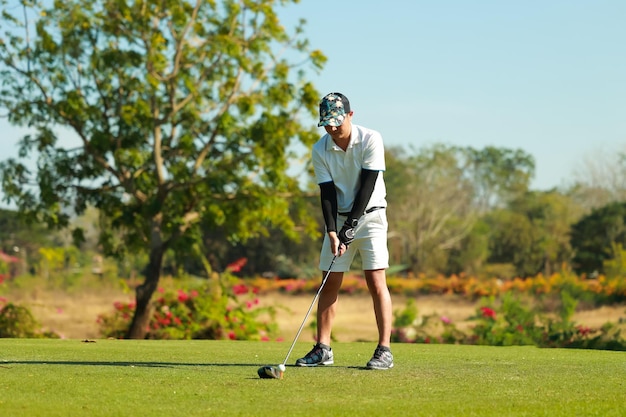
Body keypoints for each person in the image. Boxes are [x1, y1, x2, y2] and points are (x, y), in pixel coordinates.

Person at [295, 92, 394, 370]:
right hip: (338, 220)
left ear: (350, 115)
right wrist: (332, 231)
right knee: (329, 281)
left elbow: (368, 185)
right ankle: (323, 348)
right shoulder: (320, 149)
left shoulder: (371, 139)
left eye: (337, 122)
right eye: (327, 123)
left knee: (376, 281)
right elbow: (326, 193)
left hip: (372, 216)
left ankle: (384, 350)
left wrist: (351, 226)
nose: (332, 128)